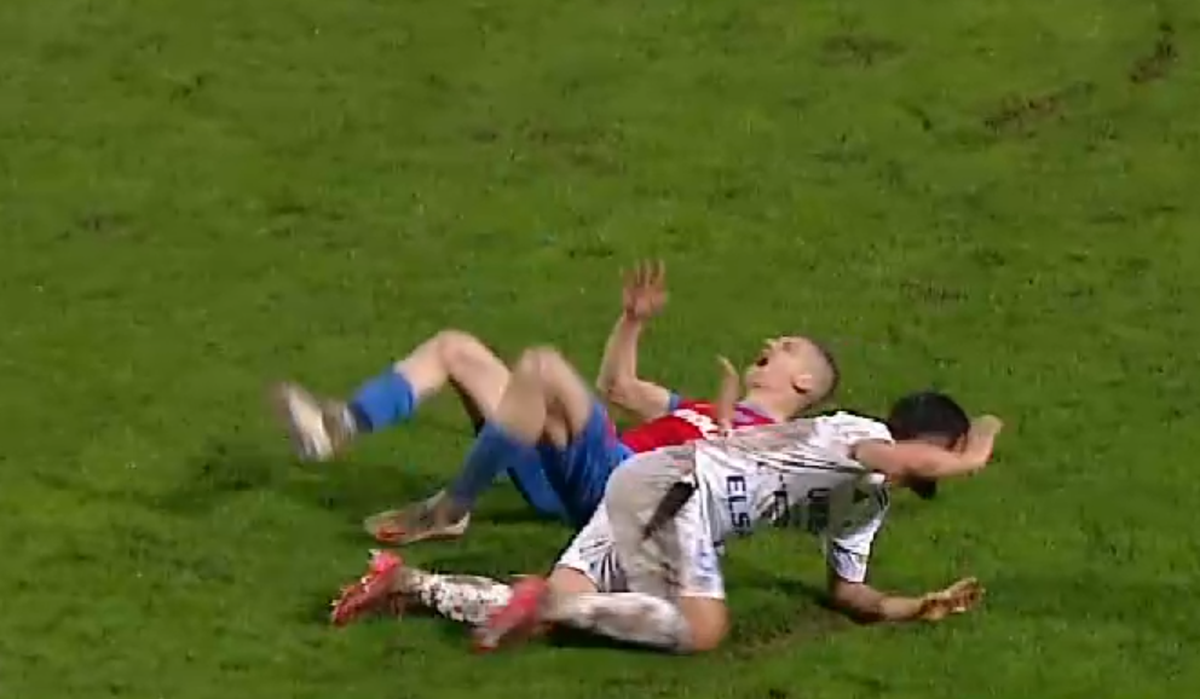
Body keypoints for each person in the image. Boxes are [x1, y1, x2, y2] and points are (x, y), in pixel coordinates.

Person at [327, 391, 1000, 655]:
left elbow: (848, 590)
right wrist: (975, 455)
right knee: (704, 628)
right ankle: (552, 601)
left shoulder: (869, 503)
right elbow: (895, 456)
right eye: (945, 454)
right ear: (928, 443)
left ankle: (407, 583)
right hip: (681, 488)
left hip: (650, 490)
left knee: (553, 612)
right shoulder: (859, 433)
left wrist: (916, 606)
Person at [276, 261, 841, 543]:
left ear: (802, 384)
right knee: (456, 349)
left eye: (788, 348)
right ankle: (340, 424)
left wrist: (731, 434)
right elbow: (618, 388)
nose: (773, 344)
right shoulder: (693, 408)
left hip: (624, 488)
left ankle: (449, 509)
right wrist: (632, 322)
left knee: (542, 367)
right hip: (586, 470)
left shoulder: (784, 441)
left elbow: (767, 480)